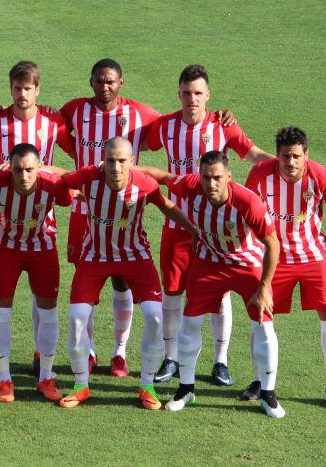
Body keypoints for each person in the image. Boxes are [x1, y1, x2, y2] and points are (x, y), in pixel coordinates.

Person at [58, 59, 237, 378]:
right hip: (84, 213)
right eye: (99, 80)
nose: (105, 87)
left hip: (126, 210)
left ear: (121, 83)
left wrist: (218, 115)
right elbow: (47, 122)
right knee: (88, 288)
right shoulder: (75, 109)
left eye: (111, 81)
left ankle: (120, 353)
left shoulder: (140, 113)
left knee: (121, 281)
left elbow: (181, 118)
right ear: (91, 81)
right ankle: (89, 350)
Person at [146, 64, 273, 386]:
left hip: (217, 227)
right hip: (178, 222)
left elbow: (253, 154)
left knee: (220, 293)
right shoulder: (164, 125)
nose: (192, 99)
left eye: (198, 93)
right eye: (187, 93)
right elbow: (136, 143)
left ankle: (220, 361)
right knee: (172, 291)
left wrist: (287, 166)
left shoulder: (223, 125)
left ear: (208, 96)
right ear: (178, 94)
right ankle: (171, 358)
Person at [58, 137, 196, 410]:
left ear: (132, 161)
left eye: (122, 161)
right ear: (103, 161)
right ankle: (80, 385)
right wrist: (36, 171)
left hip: (135, 256)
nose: (116, 167)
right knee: (76, 319)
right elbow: (60, 179)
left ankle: (147, 385)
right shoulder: (88, 177)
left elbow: (166, 206)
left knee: (155, 317)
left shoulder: (145, 184)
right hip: (94, 256)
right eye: (110, 160)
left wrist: (195, 233)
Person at [161, 151, 285, 419]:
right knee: (190, 323)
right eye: (206, 177)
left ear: (229, 176)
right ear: (199, 176)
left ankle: (268, 393)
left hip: (246, 265)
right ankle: (185, 389)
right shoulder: (191, 187)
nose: (211, 183)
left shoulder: (248, 202)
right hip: (208, 263)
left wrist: (264, 287)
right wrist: (127, 169)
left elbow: (273, 244)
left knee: (263, 324)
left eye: (217, 177)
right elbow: (162, 176)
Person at [0, 60, 73, 377]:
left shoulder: (53, 122)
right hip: (1, 222)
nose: (22, 95)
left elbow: (78, 152)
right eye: (17, 88)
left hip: (42, 220)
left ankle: (40, 354)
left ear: (37, 90)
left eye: (27, 88)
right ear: (11, 88)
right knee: (0, 295)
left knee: (42, 294)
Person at [244, 126, 326, 408]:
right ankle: (258, 381)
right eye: (285, 156)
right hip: (274, 258)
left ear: (306, 155)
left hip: (313, 255)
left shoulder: (321, 176)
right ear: (276, 156)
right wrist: (251, 250)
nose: (290, 162)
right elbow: (247, 208)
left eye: (295, 156)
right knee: (261, 316)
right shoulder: (260, 174)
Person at [0, 143, 73, 403]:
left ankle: (46, 377)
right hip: (5, 248)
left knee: (49, 311)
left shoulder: (53, 183)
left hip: (42, 247)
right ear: (9, 167)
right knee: (0, 310)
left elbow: (72, 191)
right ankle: (4, 379)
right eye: (18, 169)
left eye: (30, 169)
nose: (24, 175)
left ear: (40, 167)